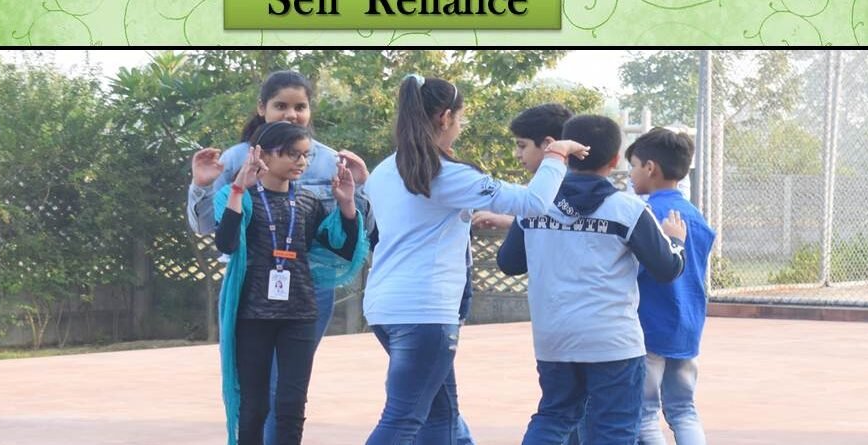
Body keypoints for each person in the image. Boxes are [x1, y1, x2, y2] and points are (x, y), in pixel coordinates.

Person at [363, 74, 590, 444]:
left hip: (385, 307)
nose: (460, 126)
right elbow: (534, 202)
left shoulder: (385, 170)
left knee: (441, 415)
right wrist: (556, 154)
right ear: (445, 117)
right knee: (404, 419)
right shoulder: (444, 174)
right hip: (425, 312)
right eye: (461, 118)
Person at [186, 71, 372, 444]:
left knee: (288, 395)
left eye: (300, 106)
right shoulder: (236, 160)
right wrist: (210, 186)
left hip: (306, 294)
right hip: (251, 296)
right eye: (281, 105)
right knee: (257, 397)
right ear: (262, 109)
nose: (291, 114)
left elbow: (345, 237)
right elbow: (213, 229)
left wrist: (357, 193)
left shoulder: (330, 161)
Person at [496, 114, 688, 445]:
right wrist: (676, 242)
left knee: (554, 417)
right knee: (614, 429)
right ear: (615, 159)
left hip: (554, 338)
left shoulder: (536, 205)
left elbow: (509, 263)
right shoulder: (628, 209)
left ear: (566, 153)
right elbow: (667, 268)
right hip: (612, 341)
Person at [626, 128, 715, 445]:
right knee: (683, 409)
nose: (631, 174)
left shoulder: (645, 215)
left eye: (634, 166)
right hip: (687, 326)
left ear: (650, 167)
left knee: (645, 415)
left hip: (649, 326)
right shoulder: (695, 216)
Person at [471, 103, 573, 231]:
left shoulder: (570, 189)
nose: (517, 154)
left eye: (522, 146)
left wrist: (509, 221)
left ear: (547, 144)